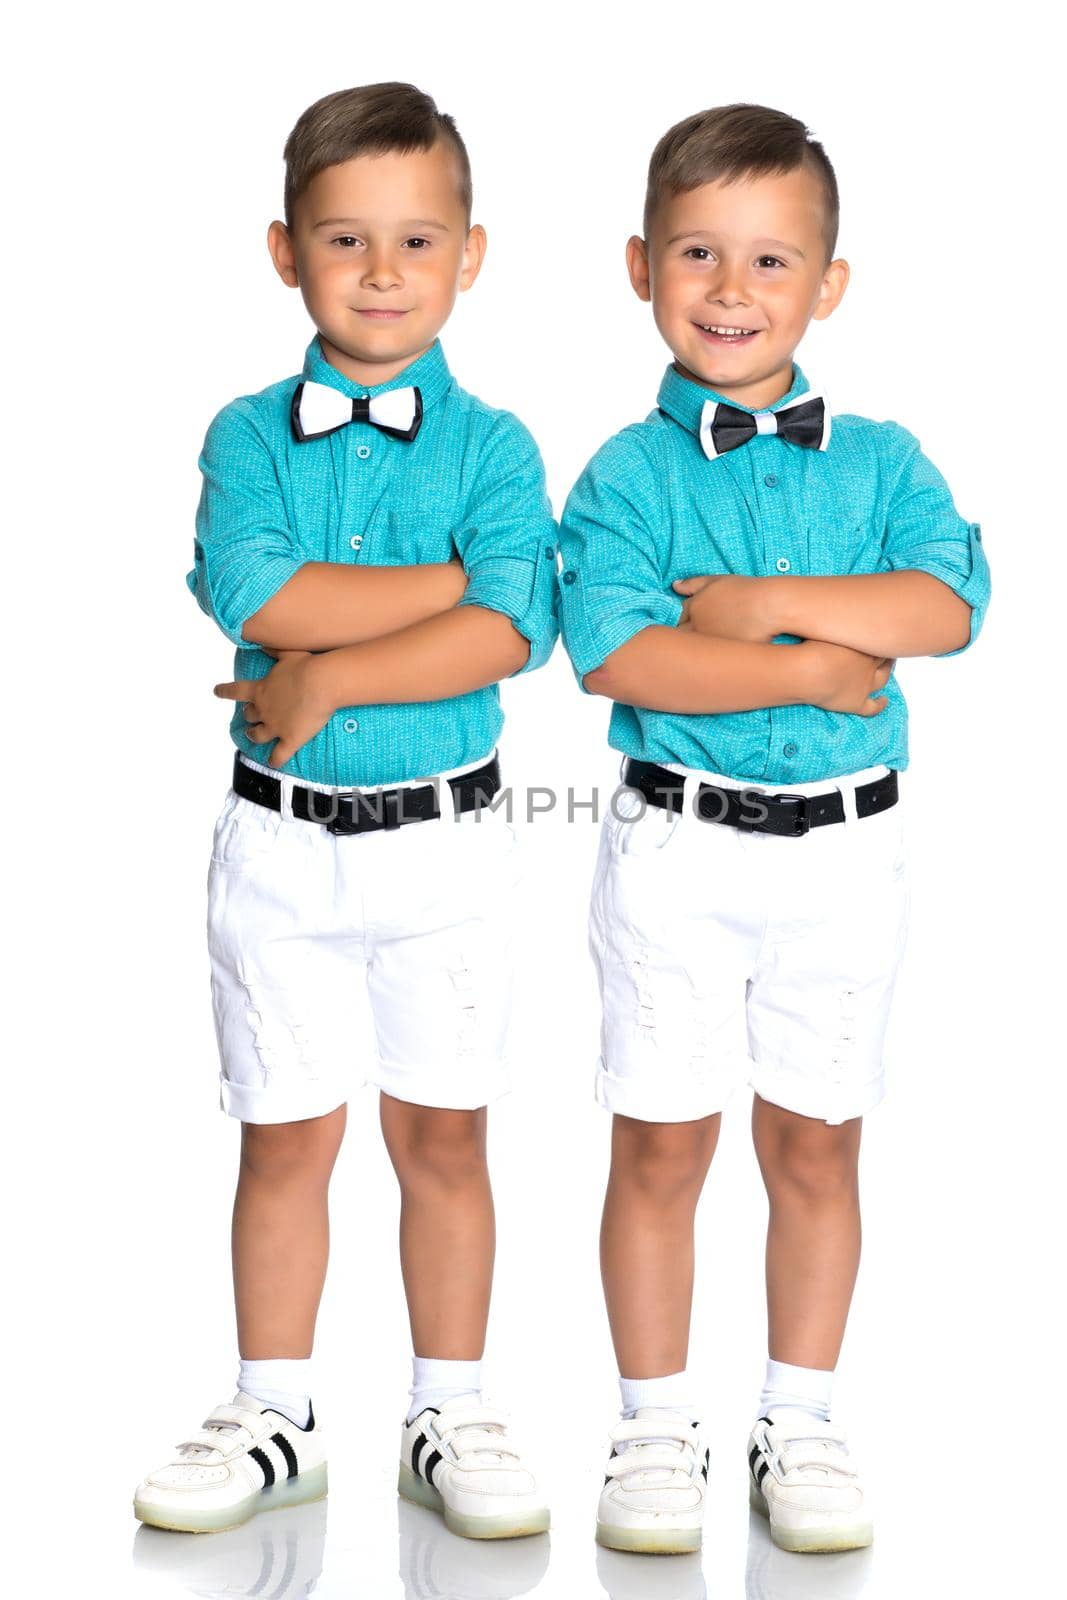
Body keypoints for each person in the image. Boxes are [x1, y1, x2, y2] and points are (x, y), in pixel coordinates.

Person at [557, 101, 990, 1555]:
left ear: (828, 285)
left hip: (845, 856)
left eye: (768, 262)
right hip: (676, 855)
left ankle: (798, 1419)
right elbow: (620, 656)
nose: (731, 292)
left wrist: (756, 601)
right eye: (697, 255)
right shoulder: (625, 474)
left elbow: (947, 605)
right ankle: (654, 1424)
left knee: (815, 1141)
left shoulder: (879, 461)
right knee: (662, 1143)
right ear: (641, 267)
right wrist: (806, 659)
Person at [133, 82, 556, 1540]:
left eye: (417, 241)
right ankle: (278, 1410)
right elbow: (260, 592)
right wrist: (449, 589)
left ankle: (450, 1401)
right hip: (281, 849)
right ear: (285, 252)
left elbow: (520, 634)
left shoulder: (494, 446)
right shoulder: (248, 433)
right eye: (346, 240)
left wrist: (328, 678)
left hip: (448, 847)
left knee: (445, 1133)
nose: (382, 274)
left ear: (471, 256)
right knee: (285, 1134)